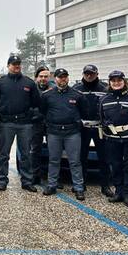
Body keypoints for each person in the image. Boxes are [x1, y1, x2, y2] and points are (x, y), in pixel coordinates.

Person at [0, 55, 40, 192]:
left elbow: (36, 102)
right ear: (8, 65)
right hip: (6, 123)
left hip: (25, 124)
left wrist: (31, 115)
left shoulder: (29, 83)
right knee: (3, 154)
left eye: (18, 64)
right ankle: (2, 180)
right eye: (13, 64)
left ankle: (27, 181)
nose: (16, 66)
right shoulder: (0, 83)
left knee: (26, 154)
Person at [40, 69, 88, 200]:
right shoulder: (47, 95)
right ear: (55, 79)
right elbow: (43, 111)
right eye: (60, 77)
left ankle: (78, 187)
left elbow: (83, 112)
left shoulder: (77, 95)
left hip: (72, 133)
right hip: (54, 132)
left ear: (68, 78)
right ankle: (52, 185)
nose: (63, 80)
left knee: (75, 162)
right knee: (54, 160)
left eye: (65, 77)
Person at [99, 70, 128, 208]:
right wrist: (105, 125)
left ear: (124, 81)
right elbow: (101, 118)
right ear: (110, 82)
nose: (116, 83)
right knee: (115, 166)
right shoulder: (103, 100)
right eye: (113, 81)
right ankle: (119, 192)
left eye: (119, 80)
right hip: (112, 139)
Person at [72, 64, 112, 197]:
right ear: (83, 74)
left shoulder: (105, 88)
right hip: (82, 128)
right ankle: (81, 185)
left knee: (104, 158)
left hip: (100, 128)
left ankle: (105, 186)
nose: (89, 76)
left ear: (97, 74)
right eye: (86, 73)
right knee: (81, 157)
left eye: (92, 73)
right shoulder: (76, 89)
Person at [28, 65, 52, 185]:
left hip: (51, 124)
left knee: (53, 151)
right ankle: (35, 175)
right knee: (35, 150)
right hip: (35, 123)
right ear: (36, 77)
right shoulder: (31, 90)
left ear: (50, 77)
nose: (43, 79)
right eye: (41, 76)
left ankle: (53, 178)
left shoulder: (54, 89)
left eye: (46, 76)